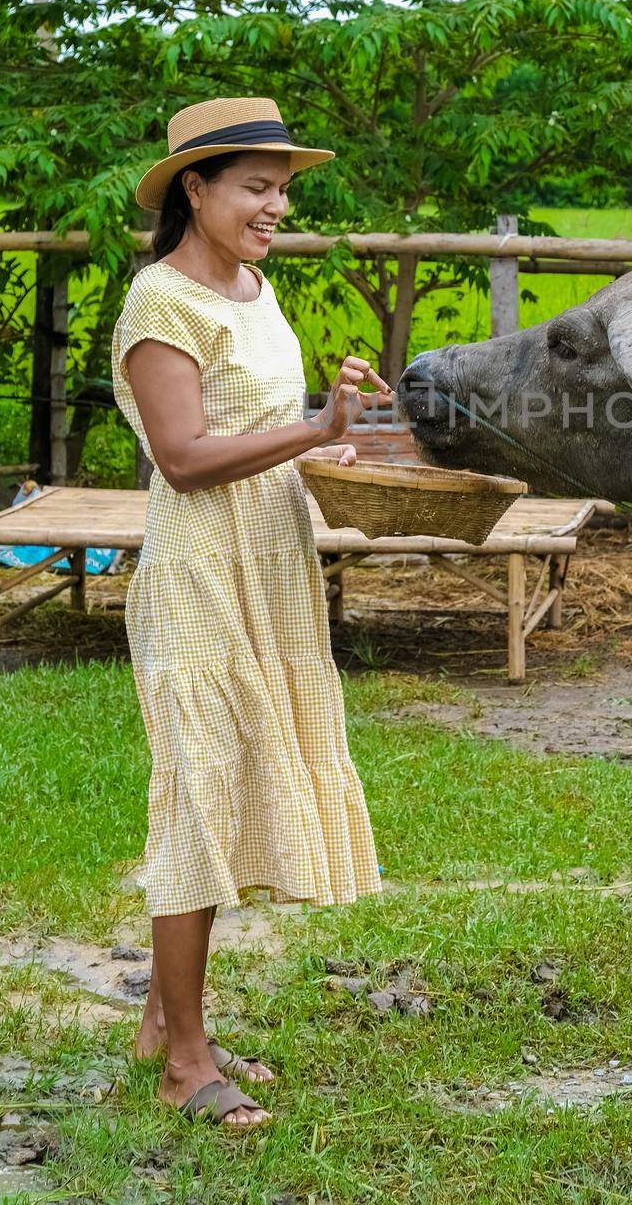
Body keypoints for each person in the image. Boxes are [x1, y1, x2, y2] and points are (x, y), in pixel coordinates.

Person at [111, 97, 388, 1128]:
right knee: (199, 794)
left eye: (284, 188)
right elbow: (182, 460)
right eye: (256, 187)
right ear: (196, 188)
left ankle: (160, 1024)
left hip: (270, 565)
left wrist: (325, 443)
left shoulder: (256, 290)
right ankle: (188, 1062)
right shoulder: (162, 304)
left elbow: (259, 432)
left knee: (220, 793)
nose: (277, 206)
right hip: (198, 577)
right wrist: (310, 426)